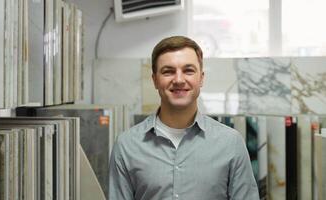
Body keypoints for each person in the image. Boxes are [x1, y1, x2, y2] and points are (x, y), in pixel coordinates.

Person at [109, 36, 259, 200]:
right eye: (168, 71)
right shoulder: (127, 145)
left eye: (188, 70)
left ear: (201, 78)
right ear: (155, 80)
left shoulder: (231, 143)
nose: (179, 80)